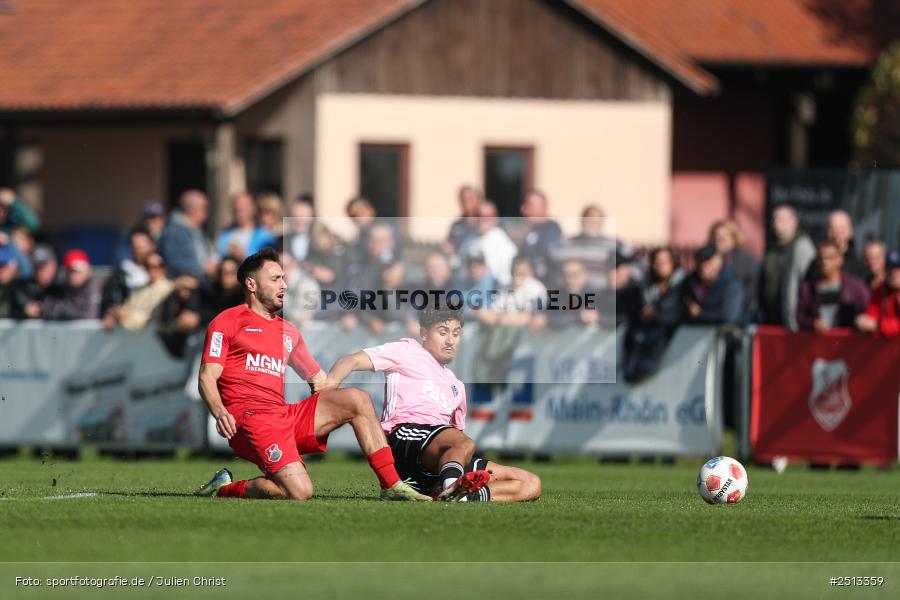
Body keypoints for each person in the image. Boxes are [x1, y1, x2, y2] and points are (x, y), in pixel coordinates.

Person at [193, 248, 429, 501]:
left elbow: (320, 382)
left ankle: (391, 485)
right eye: (275, 279)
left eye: (284, 278)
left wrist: (353, 366)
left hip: (282, 415)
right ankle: (223, 488)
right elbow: (207, 376)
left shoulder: (289, 332)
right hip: (249, 419)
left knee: (357, 400)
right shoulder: (228, 321)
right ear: (251, 284)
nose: (284, 285)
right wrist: (220, 412)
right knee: (300, 492)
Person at [320, 304, 541, 502]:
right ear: (424, 332)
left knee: (530, 483)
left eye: (456, 333)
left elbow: (455, 439)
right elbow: (351, 360)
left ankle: (462, 495)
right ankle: (454, 490)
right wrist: (330, 385)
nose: (450, 340)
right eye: (443, 332)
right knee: (464, 443)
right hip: (403, 437)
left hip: (436, 454)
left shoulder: (456, 385)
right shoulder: (407, 350)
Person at [622, 247, 684, 382]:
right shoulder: (645, 287)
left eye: (664, 262)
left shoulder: (683, 285)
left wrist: (657, 315)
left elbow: (677, 312)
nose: (659, 266)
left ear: (673, 262)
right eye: (656, 262)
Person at [758, 204, 816, 330]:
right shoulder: (771, 250)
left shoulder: (802, 247)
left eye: (782, 219)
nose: (777, 223)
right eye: (774, 219)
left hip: (793, 321)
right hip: (771, 319)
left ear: (794, 222)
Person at [797, 241, 869, 332]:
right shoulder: (808, 288)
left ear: (840, 260)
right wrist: (813, 323)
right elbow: (800, 317)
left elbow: (867, 314)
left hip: (848, 344)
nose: (824, 262)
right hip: (819, 344)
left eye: (830, 258)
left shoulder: (856, 287)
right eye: (821, 258)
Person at [103, 253, 174, 331]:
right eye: (147, 266)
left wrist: (128, 315)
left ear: (164, 268)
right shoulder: (140, 290)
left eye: (156, 266)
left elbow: (154, 318)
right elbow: (127, 307)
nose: (151, 270)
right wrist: (115, 315)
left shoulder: (170, 288)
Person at [708, 219, 759, 322]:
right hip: (714, 315)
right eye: (716, 236)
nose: (719, 239)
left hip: (739, 316)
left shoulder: (746, 260)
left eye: (724, 235)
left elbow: (753, 289)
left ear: (734, 237)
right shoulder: (709, 260)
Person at [158, 190, 215, 280]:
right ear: (193, 210)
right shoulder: (174, 231)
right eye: (205, 208)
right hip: (184, 286)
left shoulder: (197, 229)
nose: (207, 212)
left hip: (201, 280)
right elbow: (174, 263)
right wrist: (202, 268)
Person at [683, 245, 744, 325]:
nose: (704, 267)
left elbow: (729, 317)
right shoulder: (690, 281)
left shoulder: (731, 284)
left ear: (719, 262)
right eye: (700, 262)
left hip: (727, 333)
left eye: (708, 263)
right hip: (698, 332)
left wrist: (701, 314)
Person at [42, 249, 102, 320]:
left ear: (87, 271)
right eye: (69, 271)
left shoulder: (96, 288)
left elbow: (91, 316)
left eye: (76, 271)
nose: (72, 275)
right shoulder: (60, 289)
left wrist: (68, 312)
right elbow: (52, 311)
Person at [216, 192, 276, 260]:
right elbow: (217, 255)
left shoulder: (265, 235)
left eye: (243, 208)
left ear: (253, 208)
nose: (240, 212)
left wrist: (245, 256)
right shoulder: (225, 234)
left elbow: (269, 261)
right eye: (236, 209)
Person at [518, 190, 562, 282]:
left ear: (542, 208)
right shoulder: (528, 230)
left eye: (529, 205)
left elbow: (542, 263)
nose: (523, 209)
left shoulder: (552, 231)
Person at [470, 201, 517, 287]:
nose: (482, 220)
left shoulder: (501, 241)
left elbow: (505, 278)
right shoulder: (470, 239)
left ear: (496, 218)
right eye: (479, 215)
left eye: (487, 216)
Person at [856, 250, 900, 337]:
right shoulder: (881, 290)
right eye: (890, 268)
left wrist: (878, 325)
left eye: (898, 269)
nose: (893, 273)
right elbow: (871, 316)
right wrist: (864, 322)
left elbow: (875, 324)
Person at [11, 244, 60, 319]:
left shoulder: (64, 284)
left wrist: (45, 308)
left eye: (43, 266)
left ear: (54, 265)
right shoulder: (24, 287)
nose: (39, 272)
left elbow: (73, 309)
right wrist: (24, 312)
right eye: (36, 267)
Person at [444, 185, 482, 256]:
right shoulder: (456, 225)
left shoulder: (485, 222)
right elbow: (449, 245)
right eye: (463, 200)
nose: (466, 203)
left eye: (470, 199)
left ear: (478, 200)